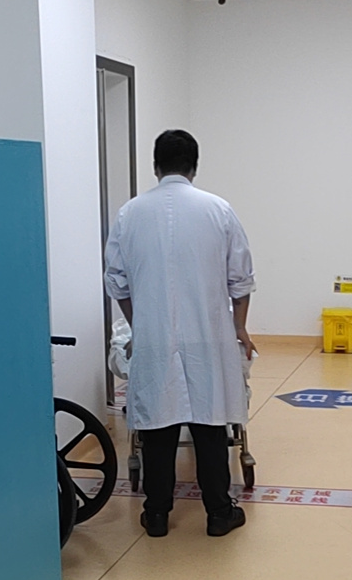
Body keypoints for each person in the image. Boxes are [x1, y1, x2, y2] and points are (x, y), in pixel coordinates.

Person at [104, 129, 256, 537]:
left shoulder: (129, 214)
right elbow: (241, 280)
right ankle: (219, 513)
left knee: (158, 426)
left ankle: (156, 515)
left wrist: (140, 324)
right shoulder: (218, 210)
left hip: (154, 336)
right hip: (208, 335)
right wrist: (239, 327)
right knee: (209, 424)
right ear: (194, 166)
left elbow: (116, 281)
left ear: (155, 166)